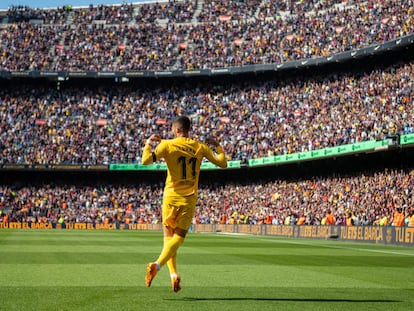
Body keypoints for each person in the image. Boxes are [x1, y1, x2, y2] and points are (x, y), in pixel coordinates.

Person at [141, 115, 227, 292]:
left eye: (173, 129)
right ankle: (169, 272)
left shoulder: (166, 144)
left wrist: (148, 143)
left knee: (168, 237)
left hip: (170, 197)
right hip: (189, 198)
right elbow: (223, 163)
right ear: (188, 129)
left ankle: (160, 267)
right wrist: (217, 145)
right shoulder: (200, 147)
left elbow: (145, 161)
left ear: (177, 130)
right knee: (178, 238)